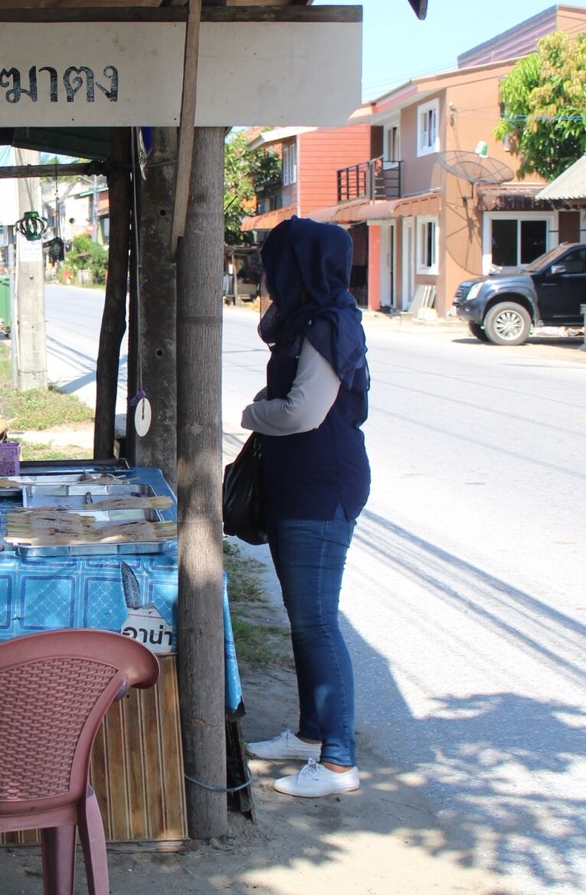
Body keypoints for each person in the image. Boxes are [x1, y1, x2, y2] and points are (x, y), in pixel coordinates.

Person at [239, 217, 371, 798]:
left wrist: (251, 413)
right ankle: (313, 733)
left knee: (317, 623)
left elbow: (300, 413)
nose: (266, 275)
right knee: (304, 619)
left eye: (276, 264)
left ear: (299, 268)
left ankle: (339, 762)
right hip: (303, 482)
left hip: (322, 486)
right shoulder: (310, 320)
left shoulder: (324, 324)